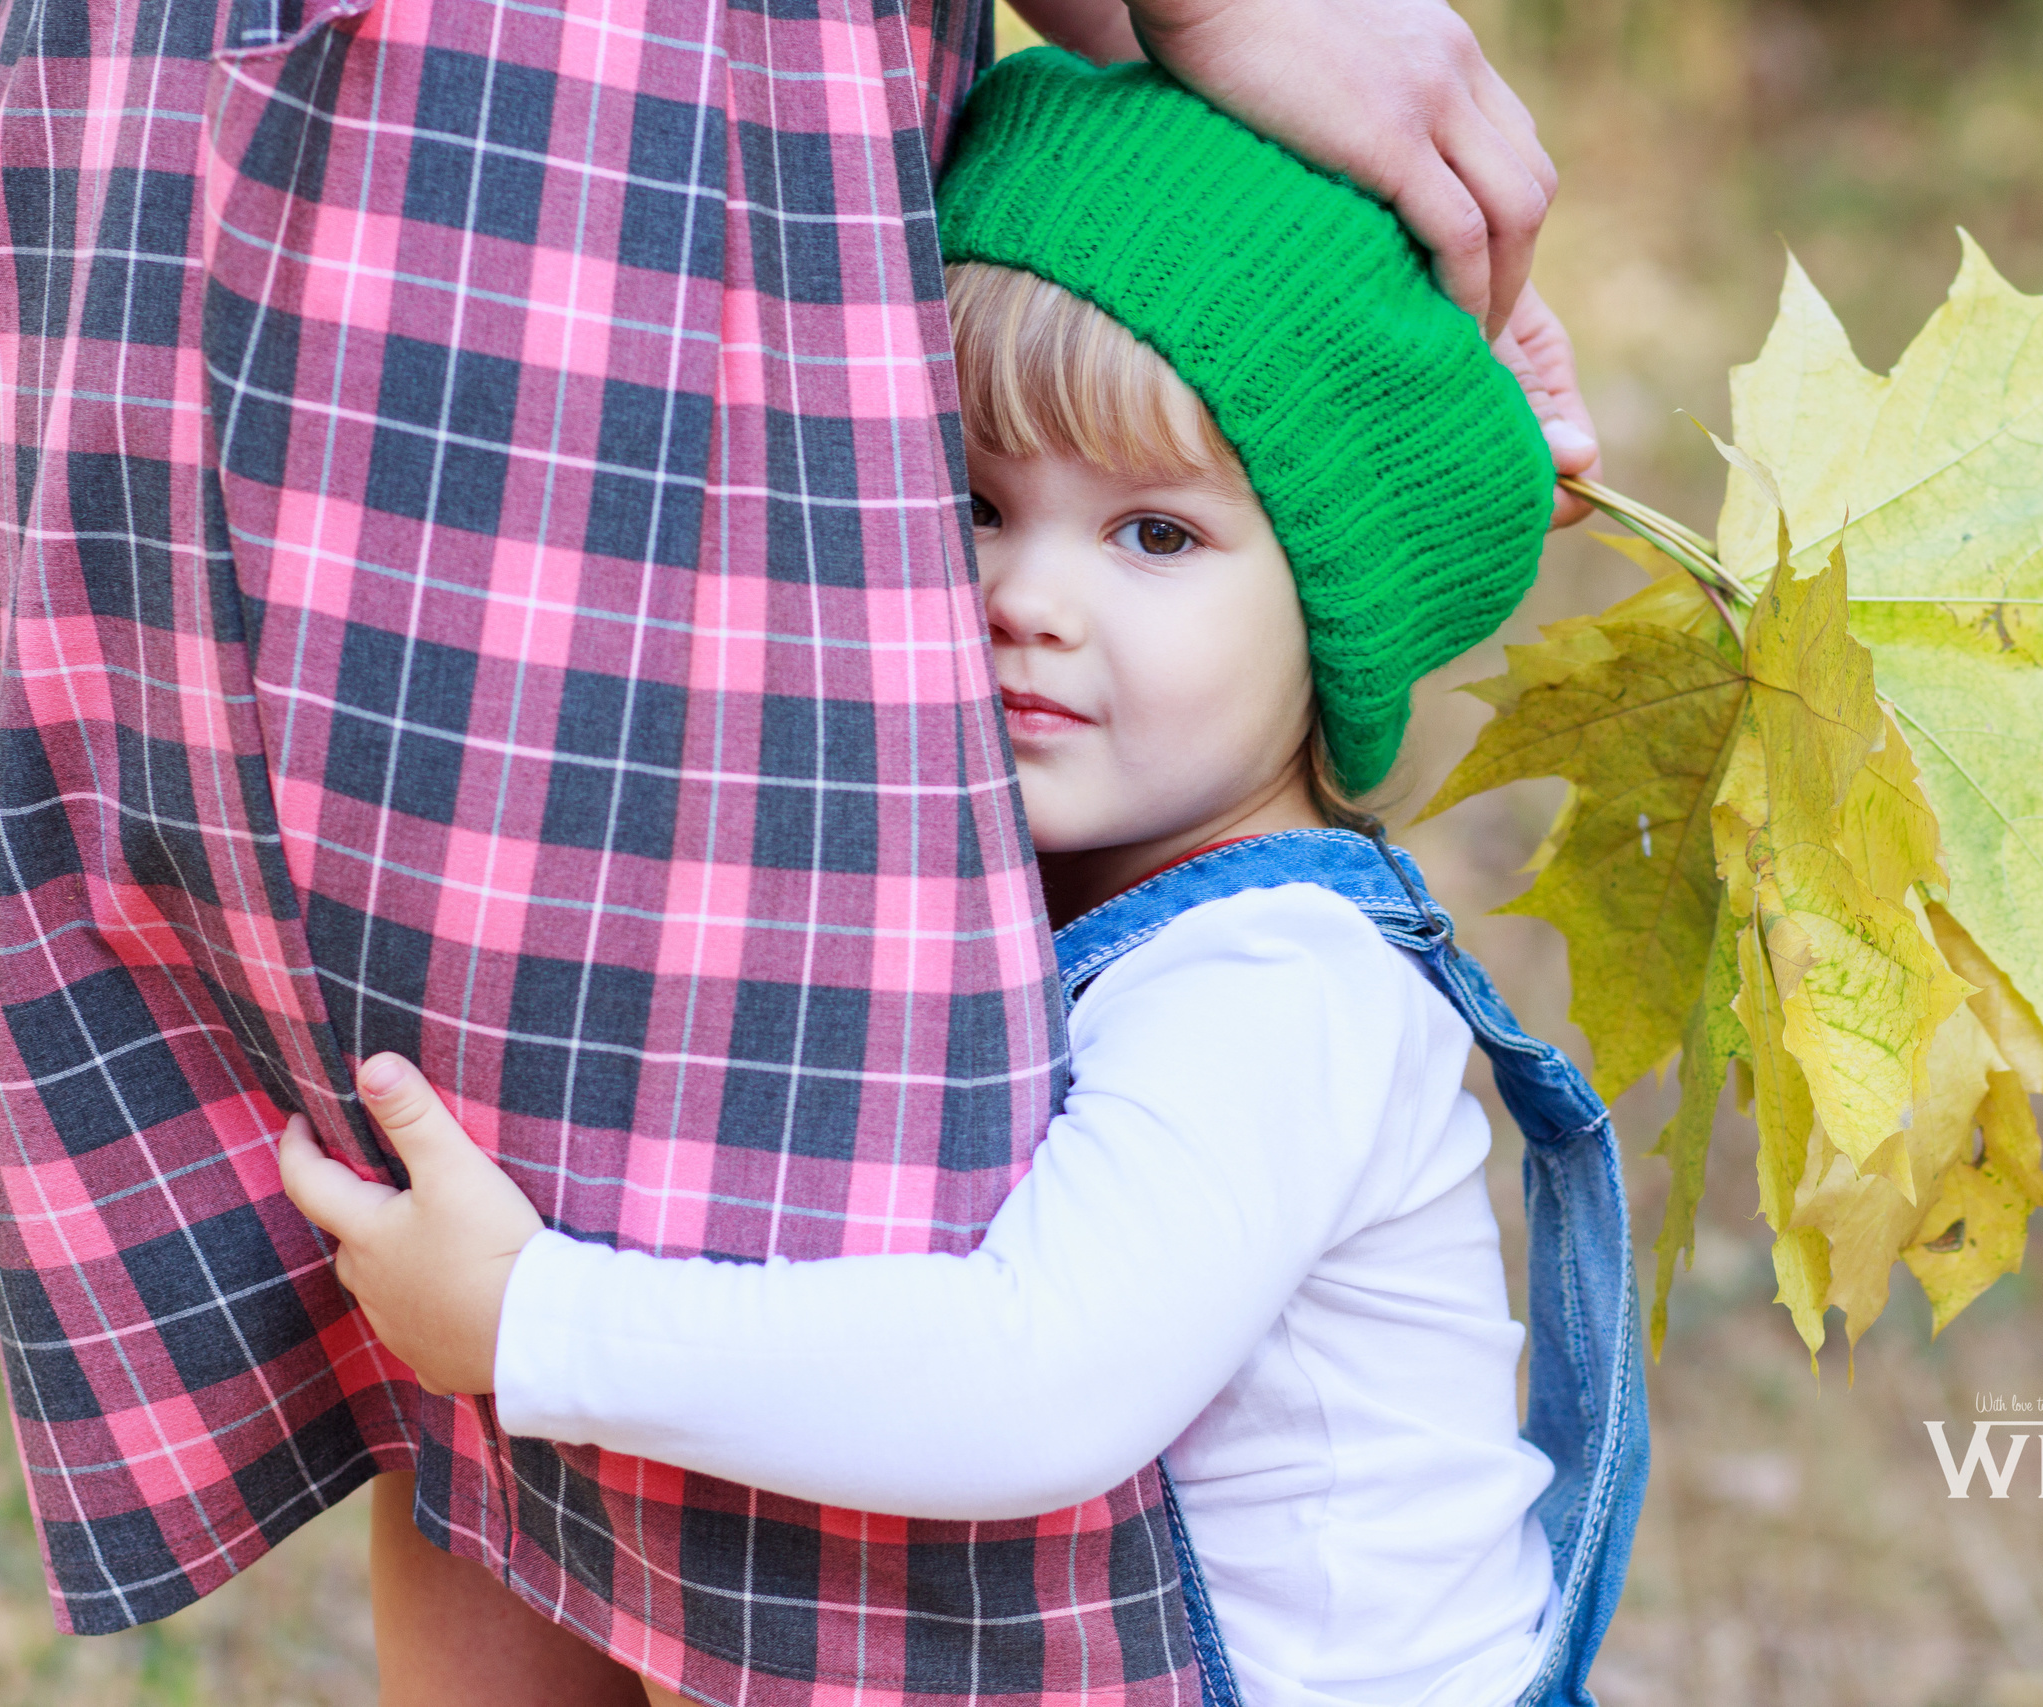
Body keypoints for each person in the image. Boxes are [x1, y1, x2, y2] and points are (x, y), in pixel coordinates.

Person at [281, 50, 1647, 1707]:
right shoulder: (1002, 913)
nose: (1025, 595)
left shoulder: (1284, 984)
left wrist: (535, 1324)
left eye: (1154, 534)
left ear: (1333, 612)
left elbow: (1040, 1376)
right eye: (976, 502)